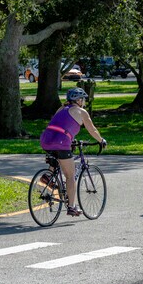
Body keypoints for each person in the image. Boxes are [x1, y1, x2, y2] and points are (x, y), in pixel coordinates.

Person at [40, 87, 107, 216]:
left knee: (57, 158)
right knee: (70, 176)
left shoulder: (60, 109)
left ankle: (49, 175)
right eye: (83, 99)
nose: (84, 102)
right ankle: (72, 207)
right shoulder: (81, 112)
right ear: (79, 100)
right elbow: (92, 130)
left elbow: (61, 126)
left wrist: (70, 140)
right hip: (61, 142)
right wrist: (101, 140)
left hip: (46, 140)